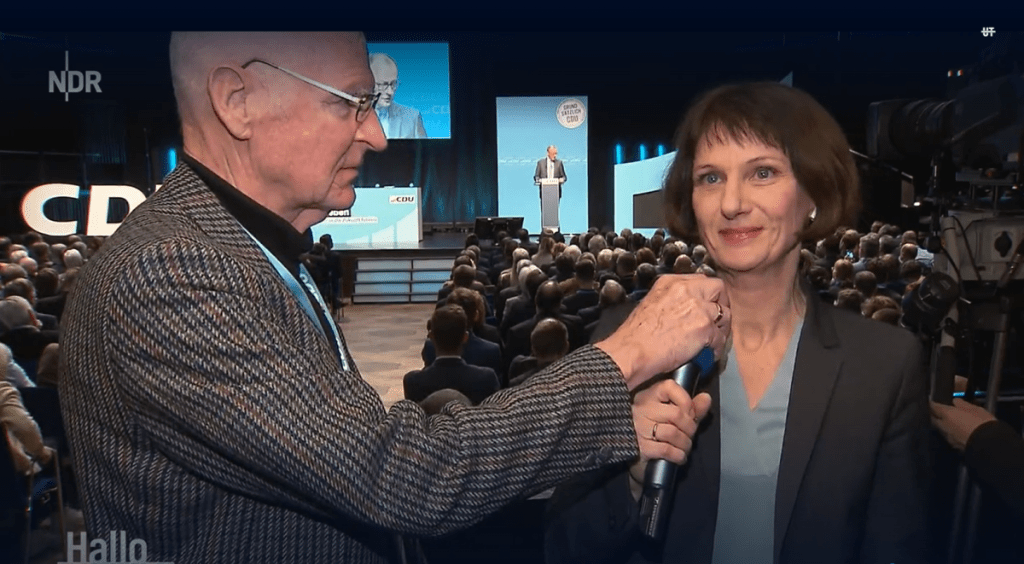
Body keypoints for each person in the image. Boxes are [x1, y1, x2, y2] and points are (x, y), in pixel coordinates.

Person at [58, 32, 730, 564]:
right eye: (349, 101)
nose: (377, 134)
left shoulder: (241, 249)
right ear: (237, 100)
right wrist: (628, 354)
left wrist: (611, 425)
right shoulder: (173, 270)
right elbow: (398, 477)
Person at [546, 81, 929, 564]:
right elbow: (566, 546)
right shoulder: (626, 341)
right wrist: (633, 478)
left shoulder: (885, 366)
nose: (731, 203)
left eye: (762, 173)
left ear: (814, 193)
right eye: (710, 178)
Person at [369, 52, 426, 139]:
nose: (390, 92)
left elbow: (425, 151)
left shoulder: (412, 117)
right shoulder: (350, 118)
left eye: (393, 84)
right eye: (383, 85)